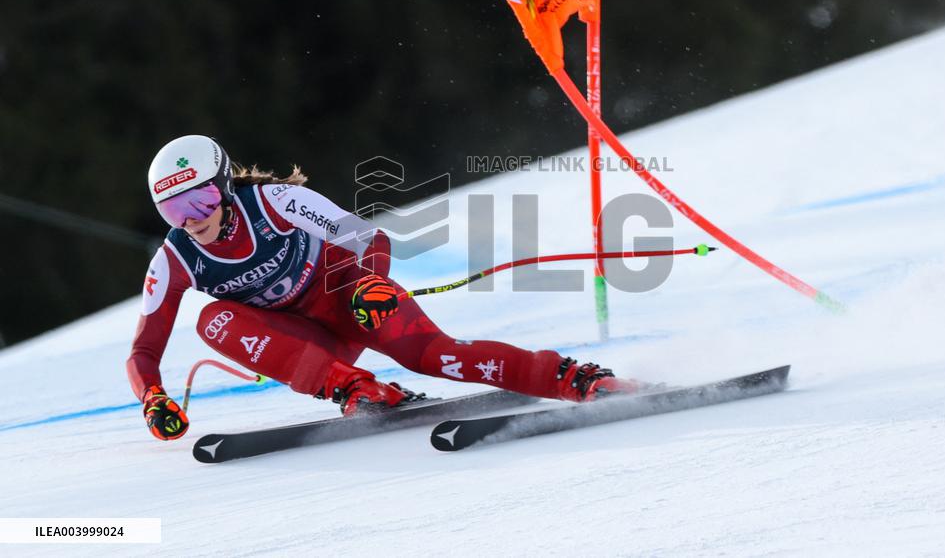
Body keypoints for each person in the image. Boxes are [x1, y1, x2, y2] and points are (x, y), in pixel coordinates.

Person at [129, 135, 640, 441]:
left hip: (353, 301)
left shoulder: (273, 200)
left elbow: (366, 236)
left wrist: (370, 282)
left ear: (221, 188)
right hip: (307, 346)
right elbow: (144, 349)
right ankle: (357, 389)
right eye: (172, 211)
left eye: (197, 203)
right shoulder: (175, 258)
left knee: (437, 357)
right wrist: (152, 397)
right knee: (212, 319)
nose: (189, 220)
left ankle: (572, 378)